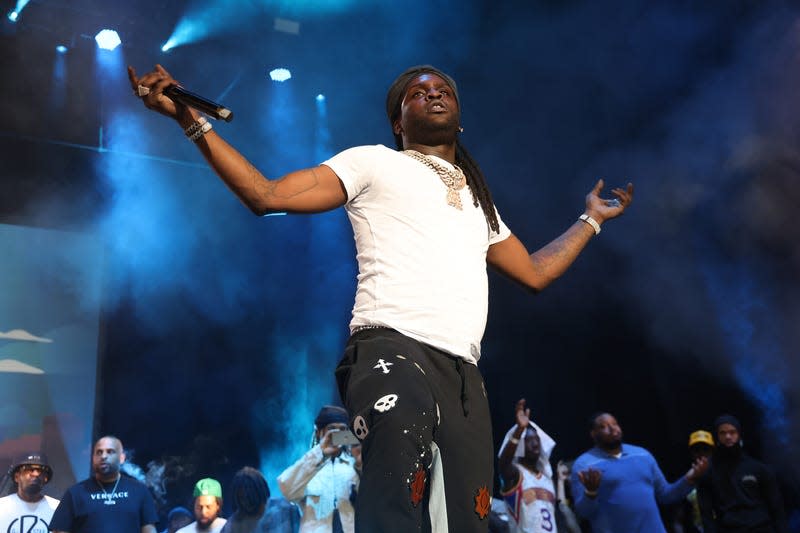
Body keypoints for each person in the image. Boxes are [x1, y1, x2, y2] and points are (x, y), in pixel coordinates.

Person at [128, 62, 634, 533]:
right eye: (419, 93)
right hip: (392, 348)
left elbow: (535, 272)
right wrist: (189, 119)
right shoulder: (373, 163)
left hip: (462, 372)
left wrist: (590, 220)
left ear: (459, 121)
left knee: (468, 515)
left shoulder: (479, 203)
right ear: (399, 122)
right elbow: (267, 195)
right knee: (396, 491)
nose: (433, 95)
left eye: (442, 91)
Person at [570, 413, 709, 533]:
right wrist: (591, 493)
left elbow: (666, 495)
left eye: (615, 423)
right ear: (593, 434)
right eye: (604, 426)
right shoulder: (584, 464)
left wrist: (689, 479)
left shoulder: (642, 455)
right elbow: (583, 513)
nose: (613, 428)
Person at [697, 415, 789, 533]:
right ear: (717, 437)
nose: (728, 436)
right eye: (722, 433)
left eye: (732, 432)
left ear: (739, 434)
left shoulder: (758, 469)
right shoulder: (709, 473)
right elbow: (706, 515)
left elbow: (777, 508)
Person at [277, 405, 361, 532]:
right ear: (318, 432)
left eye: (342, 430)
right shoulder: (307, 467)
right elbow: (286, 489)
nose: (337, 435)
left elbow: (372, 502)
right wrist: (320, 452)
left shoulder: (354, 466)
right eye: (331, 430)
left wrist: (361, 464)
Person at [50, 435, 158, 533]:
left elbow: (149, 530)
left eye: (110, 452)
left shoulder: (139, 491)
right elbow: (59, 531)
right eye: (99, 452)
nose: (103, 456)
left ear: (122, 458)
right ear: (93, 458)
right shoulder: (75, 493)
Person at [497, 399, 558, 533]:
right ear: (520, 446)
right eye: (529, 441)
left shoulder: (547, 479)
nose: (535, 444)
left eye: (537, 440)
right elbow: (503, 464)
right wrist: (519, 431)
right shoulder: (516, 474)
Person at [220, 466, 299, 533]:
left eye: (250, 497)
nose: (246, 502)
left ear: (261, 491)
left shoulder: (284, 509)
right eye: (242, 498)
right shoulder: (232, 525)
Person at [0, 452, 59, 532]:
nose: (35, 474)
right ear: (17, 477)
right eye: (28, 469)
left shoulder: (58, 509)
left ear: (46, 478)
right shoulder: (2, 507)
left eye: (40, 470)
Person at [671, 430, 715, 533]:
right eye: (697, 450)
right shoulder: (684, 482)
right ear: (691, 453)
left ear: (712, 451)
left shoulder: (724, 476)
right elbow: (678, 520)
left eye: (705, 450)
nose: (701, 454)